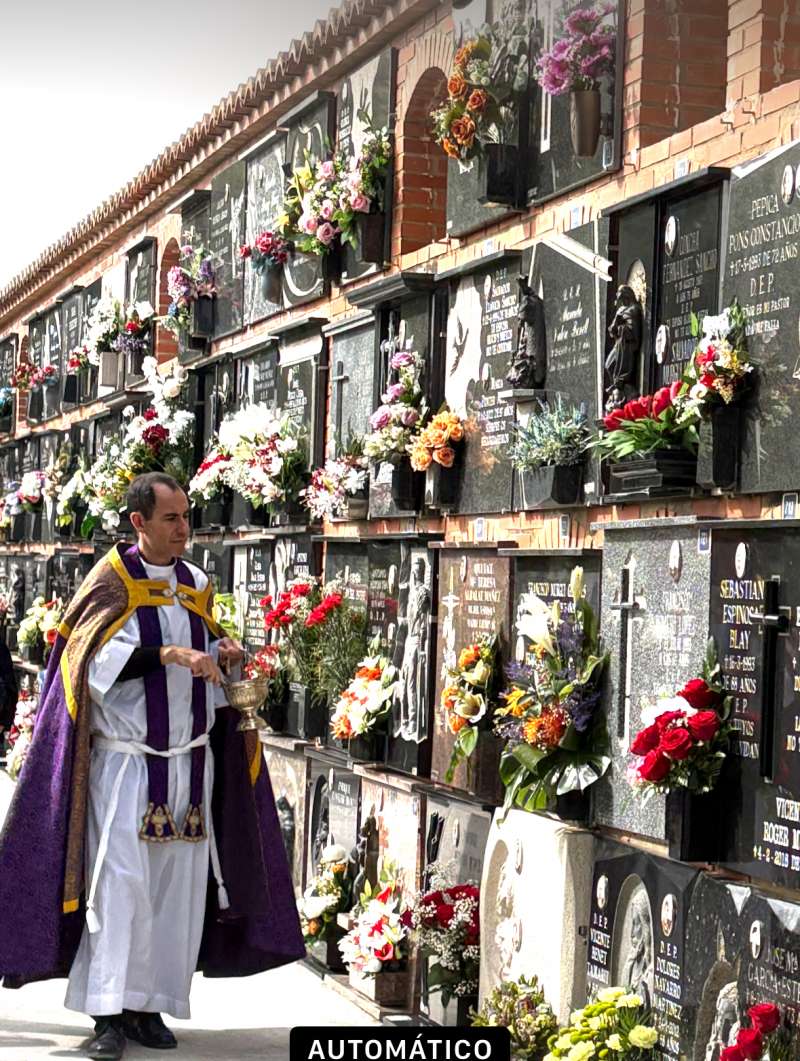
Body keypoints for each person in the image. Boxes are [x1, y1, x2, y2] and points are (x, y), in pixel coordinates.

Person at [0, 472, 304, 1060]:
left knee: (177, 891)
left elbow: (200, 652)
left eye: (186, 517)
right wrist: (169, 654)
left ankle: (148, 1005)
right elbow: (88, 664)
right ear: (139, 522)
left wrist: (220, 654)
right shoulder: (110, 583)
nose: (183, 529)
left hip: (190, 765)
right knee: (120, 889)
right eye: (171, 518)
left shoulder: (195, 584)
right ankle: (107, 1013)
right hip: (127, 767)